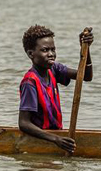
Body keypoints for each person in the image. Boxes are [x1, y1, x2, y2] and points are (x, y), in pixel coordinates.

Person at [18, 24, 94, 153]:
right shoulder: (30, 82)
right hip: (42, 139)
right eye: (45, 50)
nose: (51, 54)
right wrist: (56, 139)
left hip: (55, 135)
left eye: (53, 49)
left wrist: (85, 49)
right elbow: (24, 123)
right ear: (31, 54)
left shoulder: (54, 69)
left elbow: (85, 76)